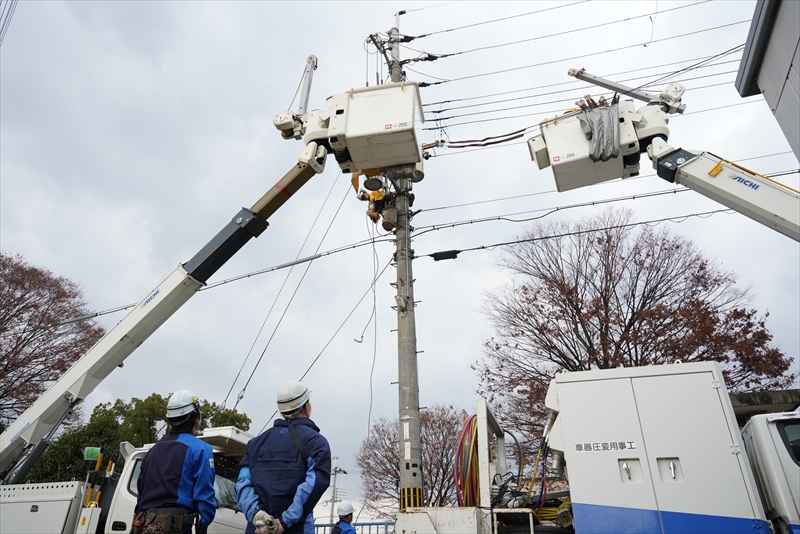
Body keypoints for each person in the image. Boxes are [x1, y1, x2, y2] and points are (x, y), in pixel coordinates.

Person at [236, 380, 331, 534]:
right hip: (296, 529)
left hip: (257, 530)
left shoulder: (254, 444)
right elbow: (313, 486)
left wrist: (257, 516)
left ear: (281, 410)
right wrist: (284, 522)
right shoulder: (316, 443)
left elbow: (242, 483)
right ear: (307, 406)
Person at [132, 389, 216, 534]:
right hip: (176, 526)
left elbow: (141, 492)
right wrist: (202, 527)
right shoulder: (201, 449)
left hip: (145, 524)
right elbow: (205, 498)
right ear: (195, 419)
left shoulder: (153, 450)